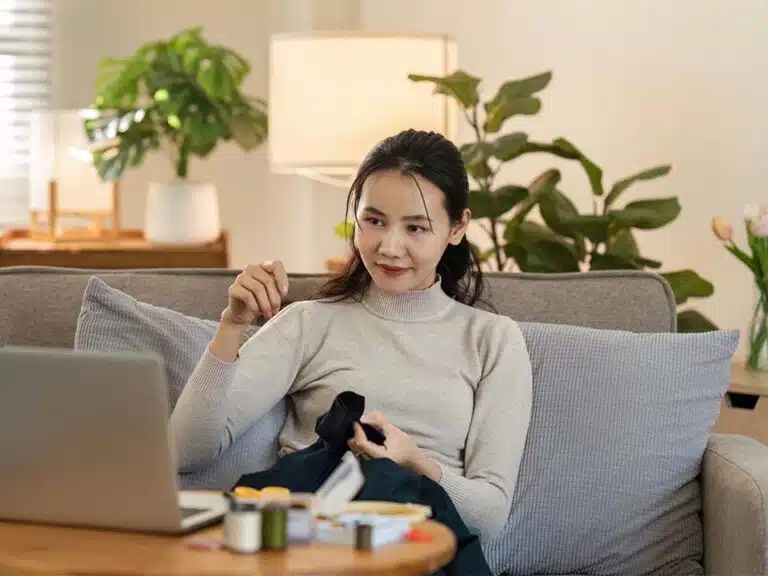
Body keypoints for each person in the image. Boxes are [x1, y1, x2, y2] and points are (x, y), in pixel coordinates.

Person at [169, 129, 533, 542]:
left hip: (417, 551)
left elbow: (488, 518)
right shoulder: (309, 323)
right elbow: (186, 450)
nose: (390, 247)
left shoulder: (493, 341)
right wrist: (232, 325)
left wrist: (413, 461)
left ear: (456, 227)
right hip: (307, 547)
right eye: (374, 221)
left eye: (416, 228)